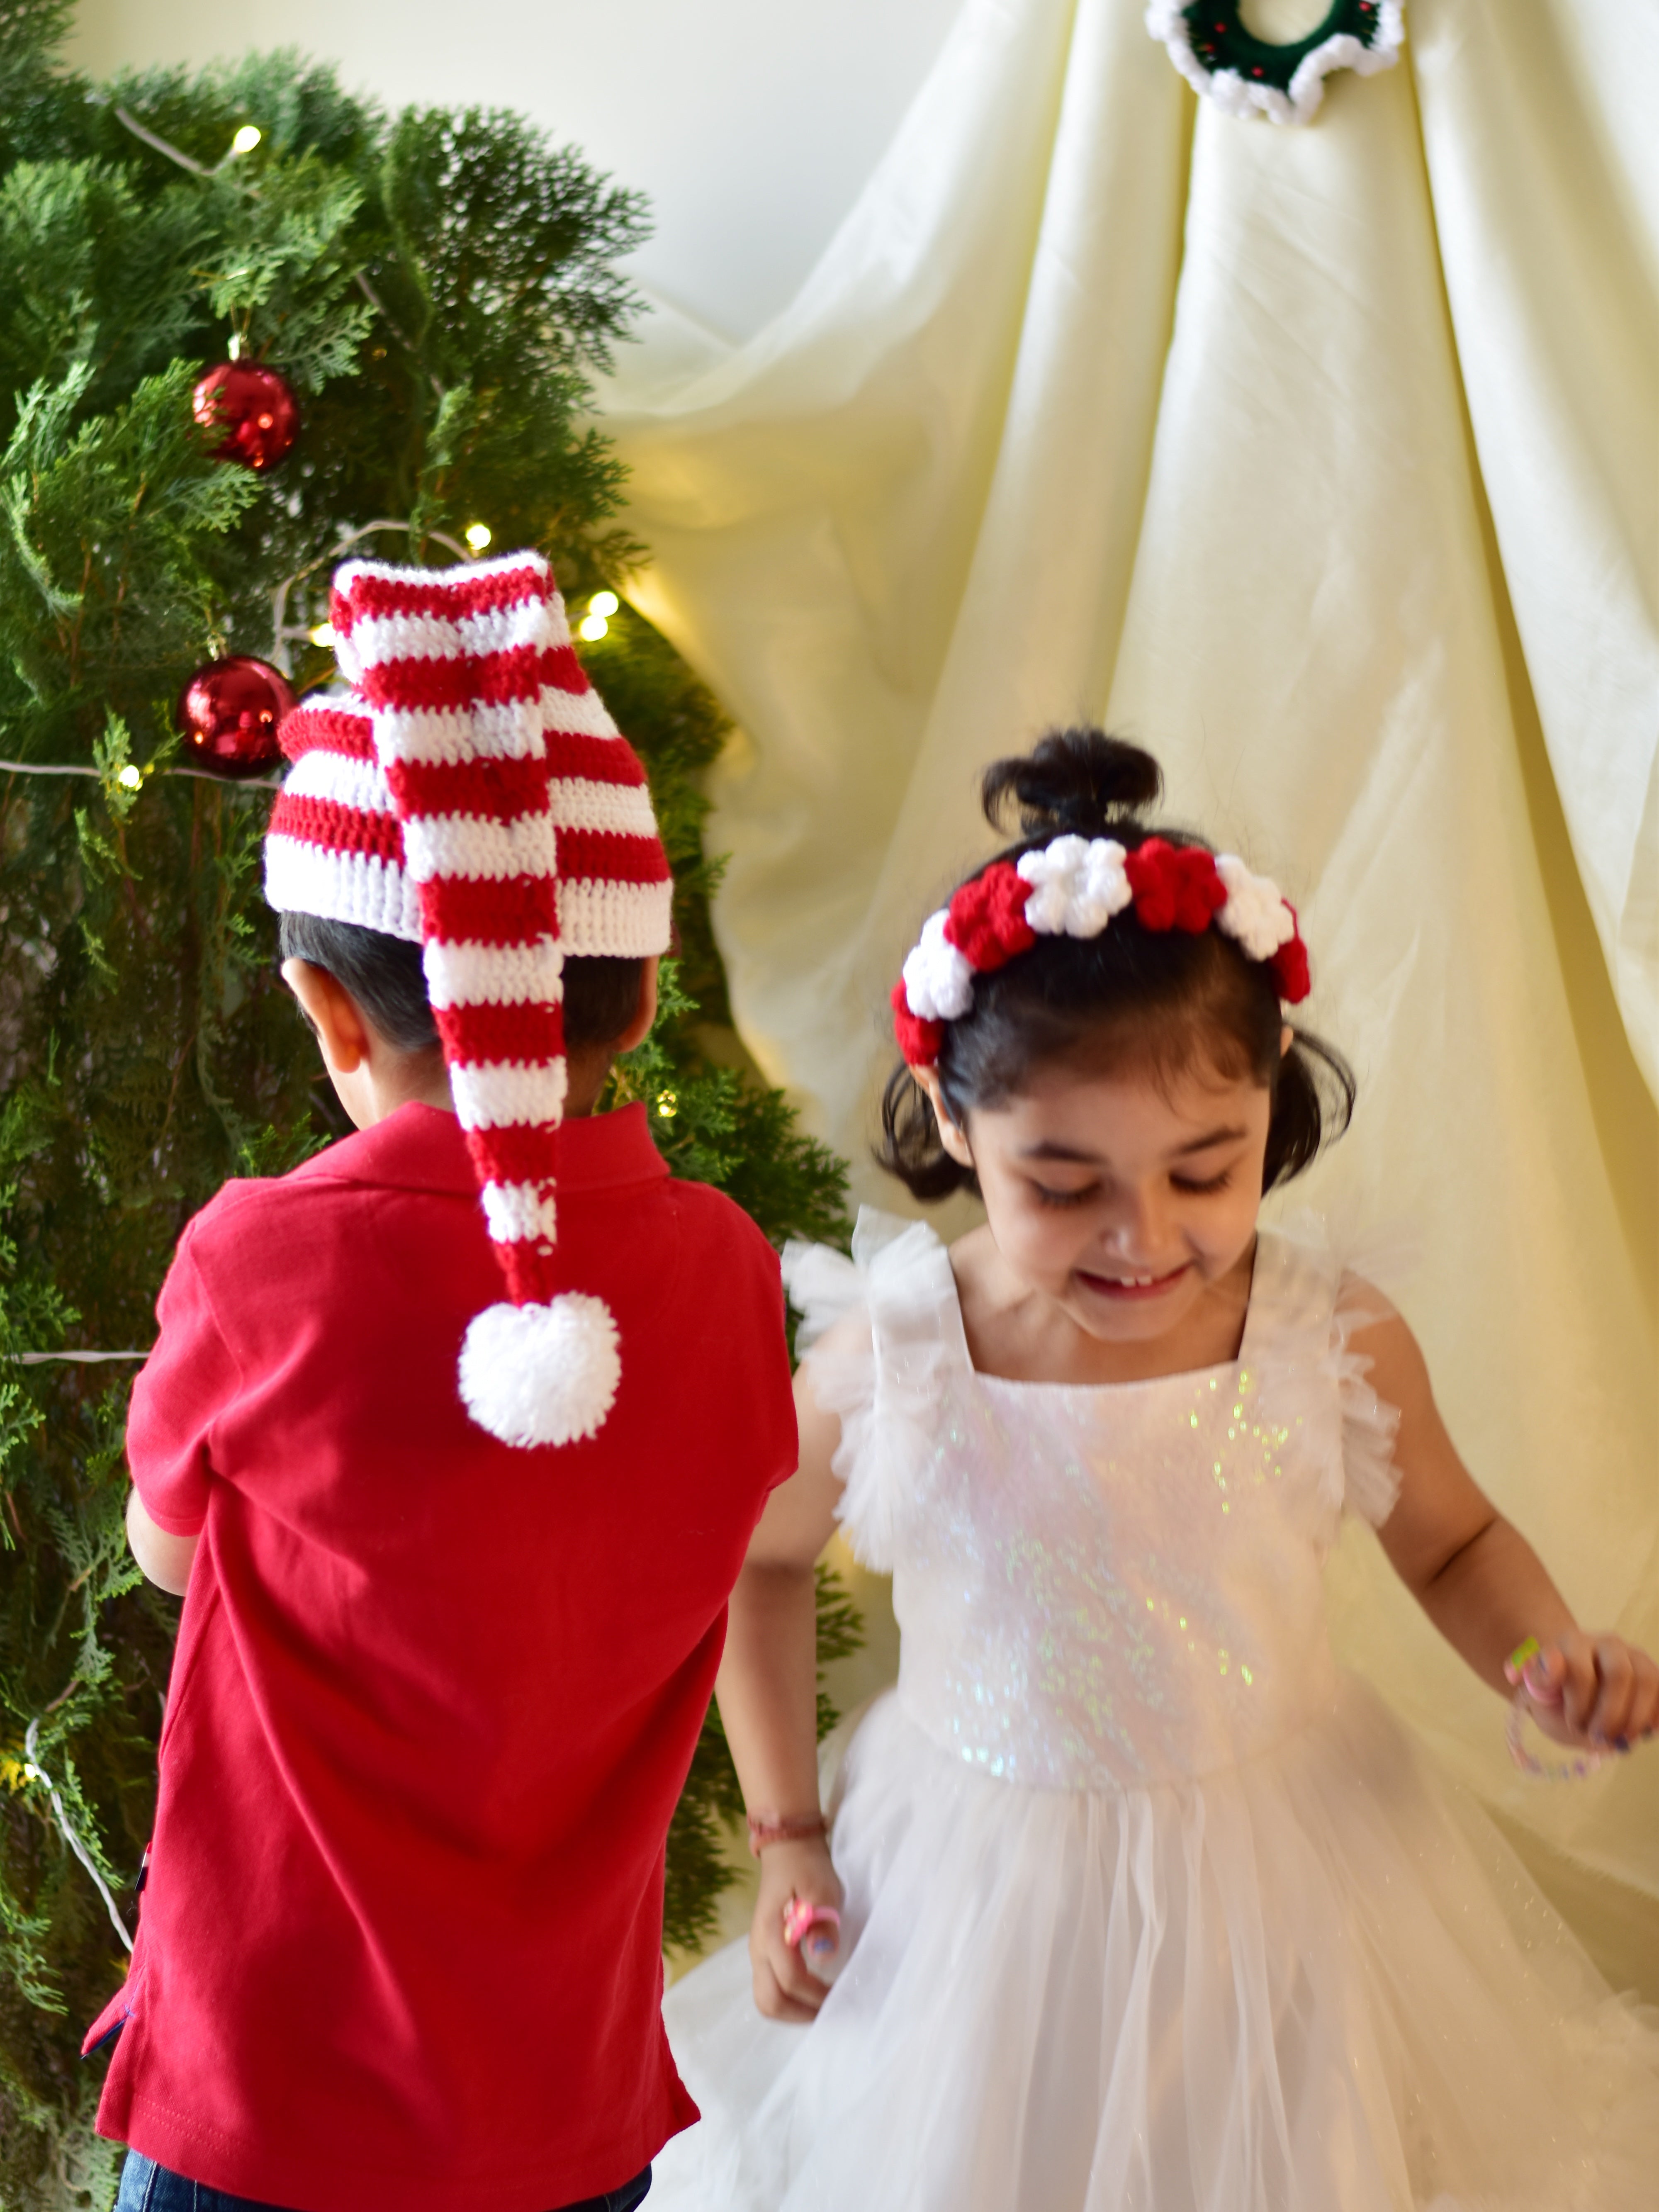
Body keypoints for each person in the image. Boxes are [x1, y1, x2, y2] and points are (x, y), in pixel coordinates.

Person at [650, 728, 1659, 2210]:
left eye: (1208, 1169)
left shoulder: (1330, 1337)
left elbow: (1452, 1546)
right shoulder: (904, 1354)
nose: (1146, 1239)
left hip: (1294, 1877)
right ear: (951, 1122)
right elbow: (763, 1555)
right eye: (1065, 1187)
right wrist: (790, 1832)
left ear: (1272, 1107)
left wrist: (1541, 1651)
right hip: (976, 1898)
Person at [86, 552, 798, 2212]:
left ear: (327, 1006)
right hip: (565, 2090)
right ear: (631, 984)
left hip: (275, 2078)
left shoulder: (268, 1255)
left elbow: (171, 1548)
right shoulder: (718, 1268)